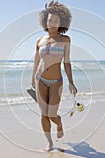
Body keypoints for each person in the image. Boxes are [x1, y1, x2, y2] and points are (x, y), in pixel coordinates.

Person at [31, 0, 77, 152]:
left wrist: (71, 82)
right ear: (45, 21)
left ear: (61, 22)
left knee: (52, 115)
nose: (52, 23)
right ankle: (50, 143)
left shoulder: (65, 40)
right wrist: (33, 79)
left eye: (56, 20)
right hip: (40, 80)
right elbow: (36, 61)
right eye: (50, 20)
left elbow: (67, 62)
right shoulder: (40, 41)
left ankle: (59, 123)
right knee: (43, 114)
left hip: (56, 81)